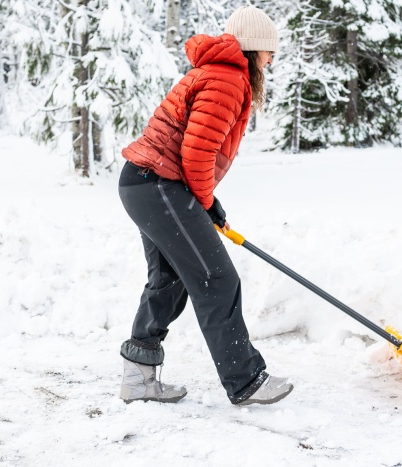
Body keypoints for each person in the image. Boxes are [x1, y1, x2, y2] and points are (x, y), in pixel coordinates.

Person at [117, 6, 293, 406]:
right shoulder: (227, 80)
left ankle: (138, 378)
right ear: (252, 48)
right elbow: (197, 155)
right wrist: (206, 201)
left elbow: (192, 154)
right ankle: (246, 380)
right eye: (269, 51)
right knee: (217, 278)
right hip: (158, 184)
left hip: (146, 183)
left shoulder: (218, 74)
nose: (271, 59)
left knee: (170, 279)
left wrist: (205, 203)